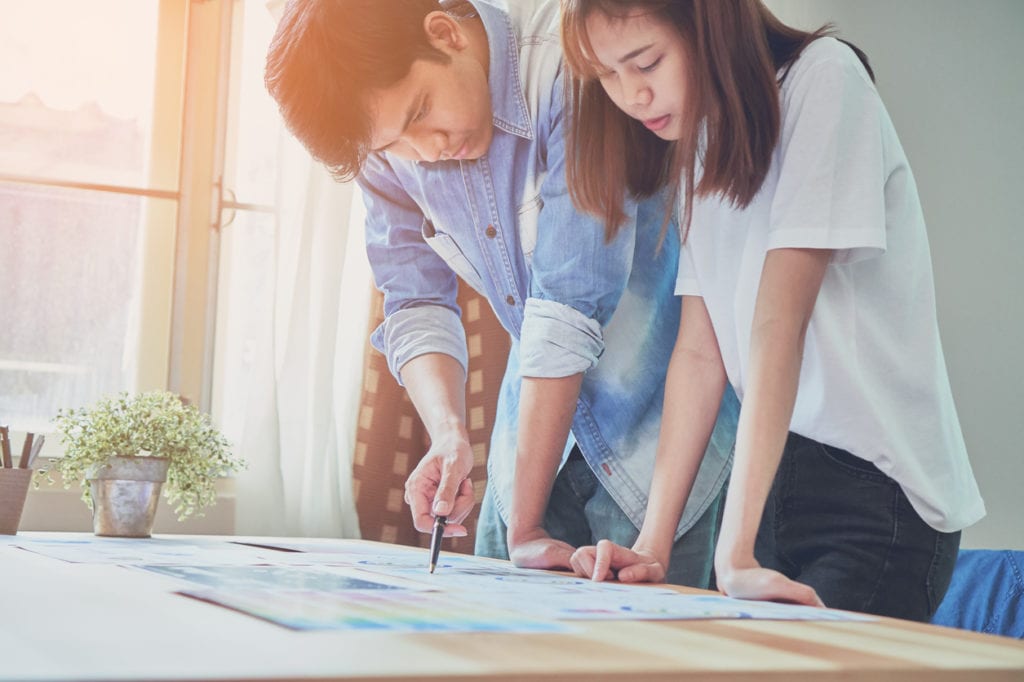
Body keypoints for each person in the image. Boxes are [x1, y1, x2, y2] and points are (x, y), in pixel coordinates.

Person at [264, 0, 740, 585]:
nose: (424, 151)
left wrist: (524, 525)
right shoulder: (386, 145)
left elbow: (568, 304)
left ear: (445, 35)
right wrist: (448, 433)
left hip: (659, 432)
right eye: (395, 146)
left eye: (421, 112)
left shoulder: (569, 66)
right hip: (531, 436)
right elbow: (414, 302)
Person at [559, 0, 985, 621]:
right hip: (769, 485)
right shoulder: (701, 136)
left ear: (708, 22)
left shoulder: (825, 78)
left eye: (646, 62)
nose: (633, 96)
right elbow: (700, 353)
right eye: (609, 76)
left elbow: (776, 323)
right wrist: (652, 541)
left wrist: (733, 553)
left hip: (873, 496)